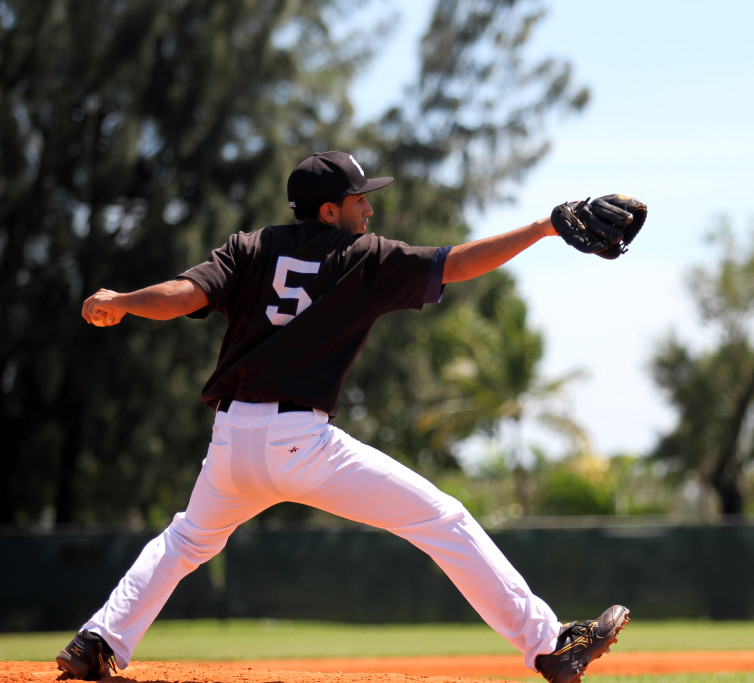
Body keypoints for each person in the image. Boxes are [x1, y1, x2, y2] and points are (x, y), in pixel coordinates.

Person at [57, 151, 629, 682]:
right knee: (442, 519)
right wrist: (544, 228)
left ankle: (98, 640)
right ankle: (549, 643)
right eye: (360, 199)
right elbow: (456, 264)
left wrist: (125, 301)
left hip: (232, 443)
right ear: (330, 210)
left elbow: (183, 295)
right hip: (301, 444)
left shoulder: (249, 248)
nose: (370, 208)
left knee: (185, 540)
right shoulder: (363, 256)